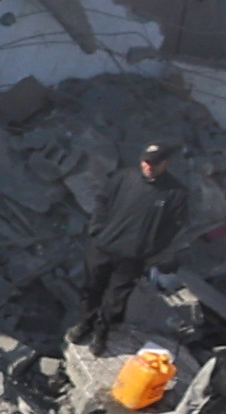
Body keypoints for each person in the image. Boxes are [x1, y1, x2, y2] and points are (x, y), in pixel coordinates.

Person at [70, 141, 192, 349]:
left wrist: (150, 250)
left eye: (154, 163)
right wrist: (97, 229)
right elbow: (102, 201)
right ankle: (85, 323)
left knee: (115, 298)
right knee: (91, 288)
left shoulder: (175, 194)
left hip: (133, 257)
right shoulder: (124, 177)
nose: (148, 167)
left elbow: (172, 228)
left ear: (166, 163)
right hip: (103, 246)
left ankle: (102, 331)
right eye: (145, 162)